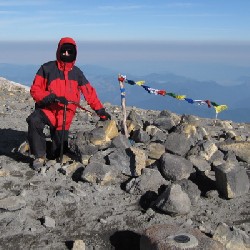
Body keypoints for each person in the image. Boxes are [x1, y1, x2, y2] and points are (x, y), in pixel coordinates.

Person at [26, 37, 111, 171]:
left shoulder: (77, 73)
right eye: (63, 51)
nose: (66, 54)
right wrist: (51, 97)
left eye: (69, 52)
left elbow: (89, 91)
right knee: (34, 120)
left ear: (74, 53)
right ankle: (39, 156)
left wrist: (99, 109)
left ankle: (48, 148)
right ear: (58, 51)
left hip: (65, 115)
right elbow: (35, 90)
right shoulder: (46, 68)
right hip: (48, 109)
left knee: (57, 153)